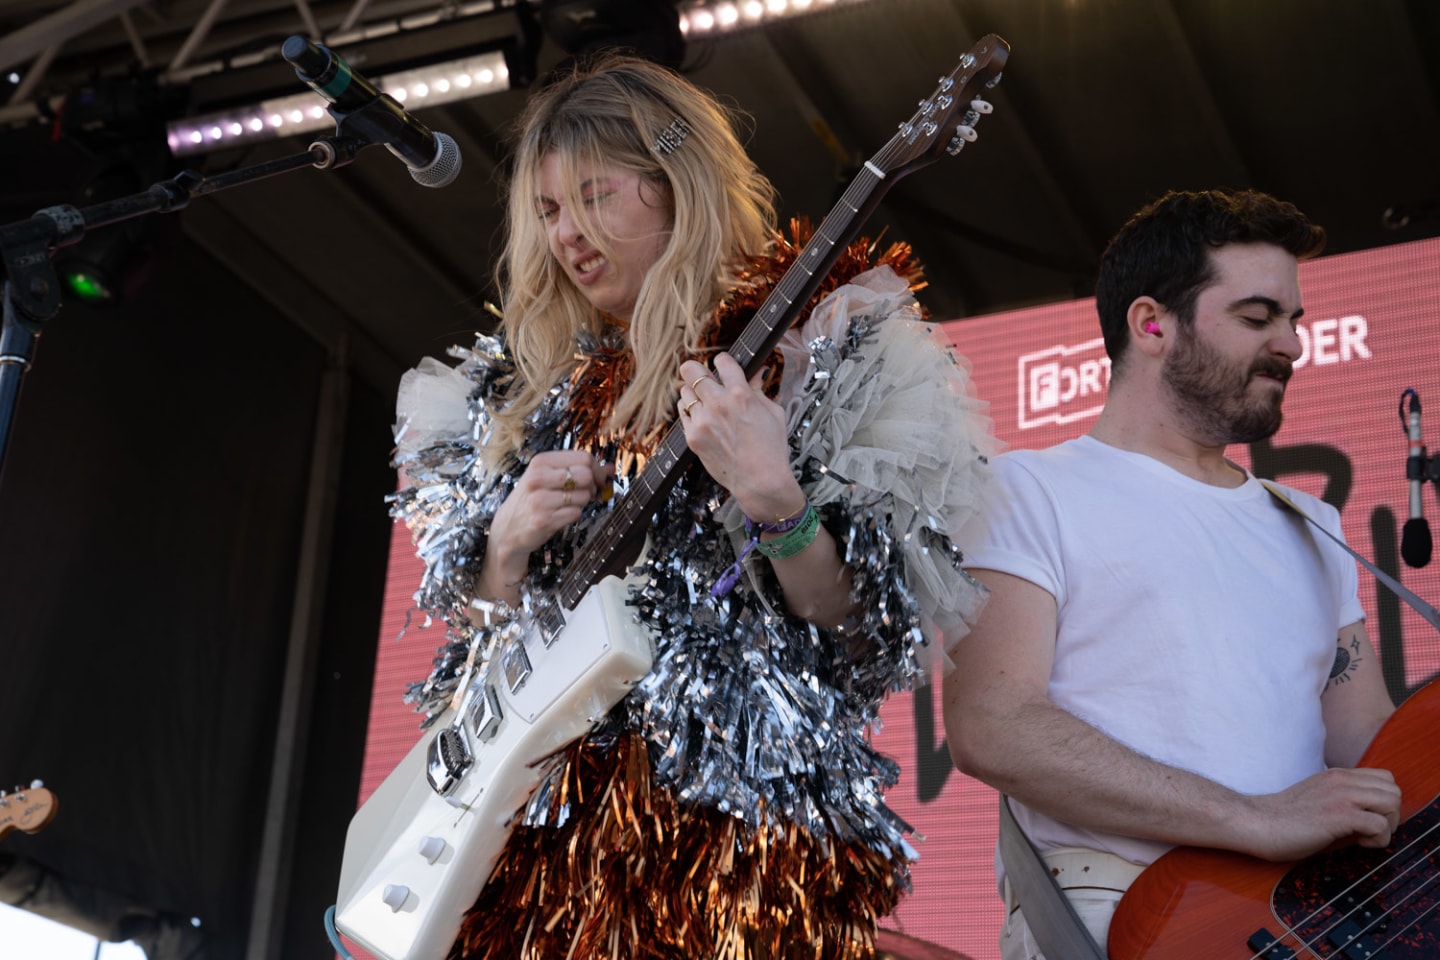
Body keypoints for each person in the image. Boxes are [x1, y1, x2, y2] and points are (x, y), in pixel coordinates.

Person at [390, 54, 995, 959]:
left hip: (735, 842)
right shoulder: (516, 393)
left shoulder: (818, 348)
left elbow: (863, 627)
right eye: (549, 212)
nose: (567, 236)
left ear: (676, 186)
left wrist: (772, 494)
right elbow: (475, 648)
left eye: (595, 197)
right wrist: (505, 547)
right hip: (536, 855)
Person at [941, 187, 1403, 959]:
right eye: (1258, 318)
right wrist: (1254, 820)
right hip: (1118, 914)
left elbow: (1373, 754)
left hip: (1302, 926)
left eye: (1295, 322)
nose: (1291, 344)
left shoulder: (1312, 525)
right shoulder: (1027, 489)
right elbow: (991, 726)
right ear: (1151, 323)